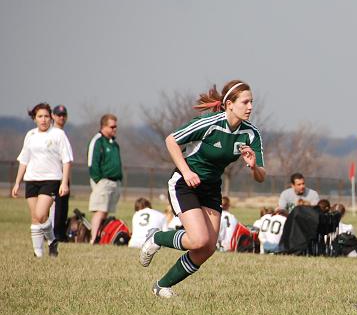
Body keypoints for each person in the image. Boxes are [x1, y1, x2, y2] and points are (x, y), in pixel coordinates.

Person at [139, 80, 265, 298]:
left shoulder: (251, 134)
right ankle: (157, 237)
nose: (250, 107)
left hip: (211, 188)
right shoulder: (210, 123)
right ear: (230, 104)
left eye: (252, 102)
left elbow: (261, 177)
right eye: (245, 102)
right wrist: (187, 172)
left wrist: (253, 167)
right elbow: (171, 140)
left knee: (207, 248)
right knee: (198, 240)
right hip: (184, 184)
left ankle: (162, 286)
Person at [12, 102, 73, 257]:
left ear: (51, 117)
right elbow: (24, 160)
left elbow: (67, 159)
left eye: (46, 116)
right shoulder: (30, 135)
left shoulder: (58, 134)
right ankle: (39, 254)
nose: (44, 119)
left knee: (40, 214)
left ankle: (51, 240)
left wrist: (64, 182)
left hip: (51, 180)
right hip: (31, 180)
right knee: (35, 219)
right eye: (40, 116)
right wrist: (17, 182)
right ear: (35, 118)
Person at [87, 113, 123, 243]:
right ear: (103, 126)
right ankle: (93, 238)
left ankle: (101, 237)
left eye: (115, 126)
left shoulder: (114, 144)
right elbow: (92, 163)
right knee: (100, 211)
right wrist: (99, 180)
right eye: (112, 126)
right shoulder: (98, 141)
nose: (114, 129)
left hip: (115, 182)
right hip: (103, 181)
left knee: (106, 211)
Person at [50, 105, 72, 242]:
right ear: (53, 116)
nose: (61, 117)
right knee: (55, 208)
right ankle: (55, 234)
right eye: (58, 115)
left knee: (62, 207)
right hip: (54, 175)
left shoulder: (61, 134)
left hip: (62, 176)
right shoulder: (53, 134)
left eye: (64, 115)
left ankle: (59, 233)